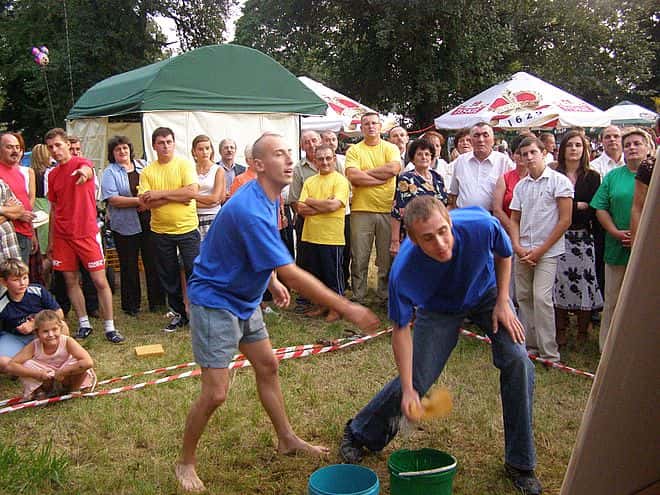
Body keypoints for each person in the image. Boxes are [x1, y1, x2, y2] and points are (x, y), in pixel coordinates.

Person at [175, 132, 379, 493]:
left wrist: (269, 280)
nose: (289, 160)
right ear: (258, 165)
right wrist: (347, 306)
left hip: (245, 298)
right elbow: (292, 273)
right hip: (216, 301)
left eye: (289, 153)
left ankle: (286, 439)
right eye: (279, 154)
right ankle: (185, 462)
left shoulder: (270, 197)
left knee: (267, 365)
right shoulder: (250, 207)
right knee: (216, 392)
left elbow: (250, 248)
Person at [340, 195, 542, 495]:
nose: (440, 243)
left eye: (443, 231)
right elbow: (401, 331)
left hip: (486, 294)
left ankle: (521, 464)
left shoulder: (480, 224)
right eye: (428, 238)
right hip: (439, 309)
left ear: (449, 221)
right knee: (417, 380)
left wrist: (503, 300)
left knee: (518, 361)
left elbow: (504, 252)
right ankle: (360, 432)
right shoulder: (403, 271)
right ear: (413, 240)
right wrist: (409, 389)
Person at [44, 128, 124, 344]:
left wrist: (83, 174)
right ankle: (84, 323)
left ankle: (110, 327)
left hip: (86, 233)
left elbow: (87, 170)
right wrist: (51, 240)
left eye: (58, 145)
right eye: (50, 147)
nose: (55, 150)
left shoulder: (81, 162)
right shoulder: (52, 175)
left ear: (67, 145)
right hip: (63, 235)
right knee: (70, 280)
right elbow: (54, 208)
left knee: (99, 280)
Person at [509, 136, 573, 363]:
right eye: (524, 154)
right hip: (523, 249)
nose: (529, 157)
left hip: (548, 251)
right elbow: (514, 219)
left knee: (541, 297)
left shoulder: (559, 181)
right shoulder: (521, 186)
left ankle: (550, 353)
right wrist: (517, 246)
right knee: (524, 296)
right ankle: (531, 345)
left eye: (533, 152)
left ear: (544, 153)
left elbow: (565, 220)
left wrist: (540, 250)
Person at [590, 128, 650, 351]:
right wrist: (615, 231)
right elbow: (600, 208)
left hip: (648, 248)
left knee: (644, 301)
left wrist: (641, 235)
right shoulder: (614, 176)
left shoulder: (654, 175)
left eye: (637, 143)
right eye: (628, 145)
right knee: (613, 300)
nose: (632, 148)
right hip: (617, 246)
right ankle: (607, 348)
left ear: (648, 147)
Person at [138, 127, 200, 333]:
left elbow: (191, 193)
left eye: (169, 142)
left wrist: (159, 194)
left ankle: (198, 313)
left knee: (194, 271)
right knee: (169, 273)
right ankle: (179, 314)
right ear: (154, 146)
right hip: (160, 231)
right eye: (161, 143)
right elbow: (145, 202)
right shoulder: (148, 172)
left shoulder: (184, 164)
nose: (165, 146)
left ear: (174, 143)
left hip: (187, 228)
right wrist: (176, 196)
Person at [100, 135, 165, 317]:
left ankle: (157, 302)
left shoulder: (144, 165)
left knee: (153, 261)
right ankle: (131, 305)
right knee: (129, 265)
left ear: (130, 149)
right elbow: (113, 199)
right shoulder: (110, 172)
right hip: (125, 225)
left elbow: (156, 186)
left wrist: (149, 202)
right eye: (118, 149)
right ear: (112, 153)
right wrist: (139, 201)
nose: (122, 151)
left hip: (149, 222)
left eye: (125, 148)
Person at [552, 131, 603, 346]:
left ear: (584, 150)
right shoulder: (553, 174)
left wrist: (573, 207)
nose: (574, 149)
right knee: (559, 282)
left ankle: (583, 331)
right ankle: (560, 329)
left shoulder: (592, 177)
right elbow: (551, 205)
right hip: (558, 236)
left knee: (585, 282)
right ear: (562, 149)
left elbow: (592, 208)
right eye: (570, 145)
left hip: (583, 237)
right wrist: (575, 206)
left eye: (578, 145)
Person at [345, 112, 401, 304]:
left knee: (385, 257)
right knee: (359, 255)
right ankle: (358, 294)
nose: (370, 127)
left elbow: (393, 169)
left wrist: (365, 175)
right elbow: (353, 176)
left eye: (374, 123)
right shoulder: (354, 150)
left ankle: (383, 293)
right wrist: (380, 179)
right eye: (367, 124)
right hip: (361, 209)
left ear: (380, 127)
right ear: (361, 128)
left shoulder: (391, 148)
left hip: (387, 209)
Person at [296, 144, 351, 321]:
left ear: (334, 159)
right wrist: (323, 205)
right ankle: (321, 304)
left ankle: (337, 308)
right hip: (311, 235)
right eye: (321, 159)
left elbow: (334, 205)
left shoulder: (340, 181)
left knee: (332, 275)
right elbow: (301, 208)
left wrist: (312, 201)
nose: (325, 162)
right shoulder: (310, 181)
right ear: (315, 161)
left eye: (328, 158)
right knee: (316, 275)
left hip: (331, 237)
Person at [6, 309, 95, 400]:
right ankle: (40, 392)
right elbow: (11, 366)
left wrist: (62, 372)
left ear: (60, 328)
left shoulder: (67, 341)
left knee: (79, 361)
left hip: (67, 378)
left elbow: (88, 362)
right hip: (46, 380)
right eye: (45, 331)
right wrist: (37, 374)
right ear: (37, 333)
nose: (51, 334)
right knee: (26, 364)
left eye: (54, 329)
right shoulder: (34, 345)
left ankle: (74, 389)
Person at [0, 258, 65, 374]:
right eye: (16, 280)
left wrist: (34, 324)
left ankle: (48, 359)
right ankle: (33, 369)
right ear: (4, 282)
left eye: (25, 278)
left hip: (42, 333)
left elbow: (59, 313)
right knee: (3, 362)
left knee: (63, 326)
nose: (22, 283)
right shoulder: (2, 305)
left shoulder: (37, 290)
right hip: (16, 338)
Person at [390, 138, 448, 256]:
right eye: (419, 154)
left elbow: (445, 205)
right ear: (413, 158)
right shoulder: (406, 179)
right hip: (414, 235)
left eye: (427, 154)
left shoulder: (438, 178)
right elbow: (397, 212)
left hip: (437, 233)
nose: (424, 157)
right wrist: (395, 241)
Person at [448, 122, 513, 210]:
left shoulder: (504, 161)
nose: (481, 140)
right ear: (471, 140)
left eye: (485, 135)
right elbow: (454, 193)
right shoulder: (461, 161)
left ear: (493, 140)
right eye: (476, 136)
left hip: (493, 215)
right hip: (465, 214)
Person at [0, 133, 35, 264]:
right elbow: (18, 210)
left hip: (25, 233)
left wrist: (32, 233)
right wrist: (17, 214)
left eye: (17, 147)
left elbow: (22, 207)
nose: (15, 151)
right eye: (9, 147)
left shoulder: (18, 172)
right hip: (7, 236)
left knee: (21, 274)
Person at [191, 135, 225, 240]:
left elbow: (216, 198)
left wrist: (192, 196)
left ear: (211, 150)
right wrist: (208, 202)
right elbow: (185, 200)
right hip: (193, 217)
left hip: (213, 216)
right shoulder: (189, 170)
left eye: (207, 148)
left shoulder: (218, 170)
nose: (205, 152)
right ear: (194, 151)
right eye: (200, 149)